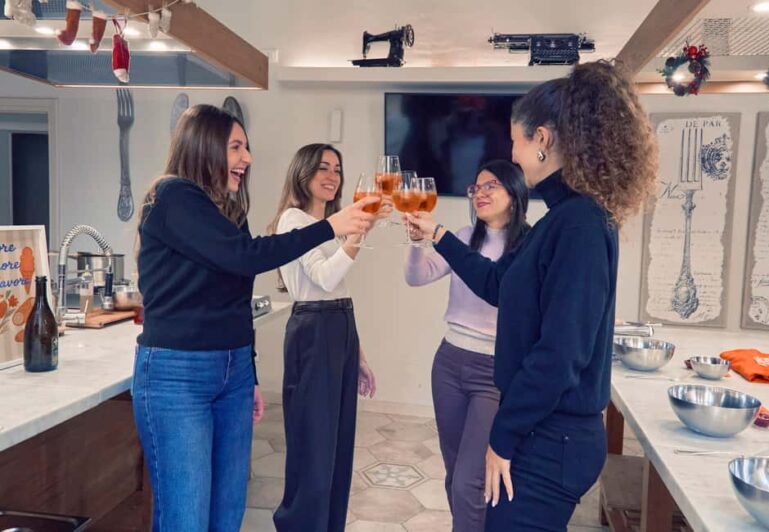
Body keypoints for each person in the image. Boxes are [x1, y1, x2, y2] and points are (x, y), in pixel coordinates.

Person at [407, 60, 658, 531]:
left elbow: (560, 354)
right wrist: (438, 235)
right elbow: (498, 284)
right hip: (545, 432)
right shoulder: (560, 220)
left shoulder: (579, 225)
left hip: (553, 441)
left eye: (515, 141)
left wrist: (503, 436)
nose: (513, 154)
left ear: (542, 138)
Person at [133, 106, 377, 532]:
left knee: (227, 515)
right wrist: (332, 226)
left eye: (246, 148)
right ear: (204, 146)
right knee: (187, 520)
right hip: (178, 373)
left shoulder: (227, 211)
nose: (247, 158)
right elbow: (246, 256)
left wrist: (246, 372)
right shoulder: (172, 196)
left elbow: (236, 295)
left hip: (231, 371)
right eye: (236, 147)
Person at [404, 160, 529, 531]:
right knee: (454, 473)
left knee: (469, 481)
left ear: (514, 193)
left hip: (493, 371)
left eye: (491, 186)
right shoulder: (463, 236)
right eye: (476, 187)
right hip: (449, 363)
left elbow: (508, 300)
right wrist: (416, 243)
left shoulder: (527, 246)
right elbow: (416, 276)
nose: (480, 193)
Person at [268, 144, 388, 532]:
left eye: (337, 168)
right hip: (313, 332)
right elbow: (324, 278)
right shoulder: (293, 220)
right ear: (302, 172)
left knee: (337, 450)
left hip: (338, 328)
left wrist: (359, 355)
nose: (332, 175)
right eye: (323, 167)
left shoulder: (328, 226)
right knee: (314, 451)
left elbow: (339, 292)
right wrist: (359, 232)